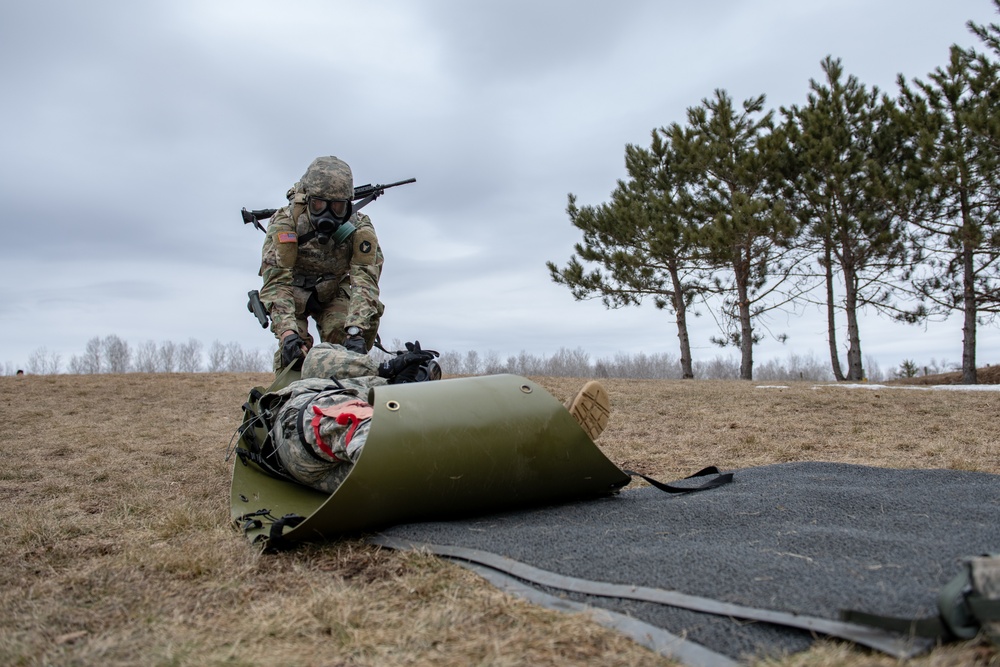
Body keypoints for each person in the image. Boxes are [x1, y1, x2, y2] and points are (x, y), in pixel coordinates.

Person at [259, 343, 610, 495]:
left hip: (331, 464)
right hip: (305, 419)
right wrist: (385, 368)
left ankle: (549, 438)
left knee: (414, 473)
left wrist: (411, 381)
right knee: (370, 432)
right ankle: (551, 441)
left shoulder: (362, 382)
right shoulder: (308, 376)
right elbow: (319, 360)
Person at [259, 156, 385, 372]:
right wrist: (288, 334)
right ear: (307, 201)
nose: (327, 214)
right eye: (318, 205)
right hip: (292, 294)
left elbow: (365, 282)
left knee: (346, 353)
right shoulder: (286, 223)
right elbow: (276, 283)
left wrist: (355, 330)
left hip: (332, 291)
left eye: (336, 207)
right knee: (293, 358)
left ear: (348, 205)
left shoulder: (360, 228)